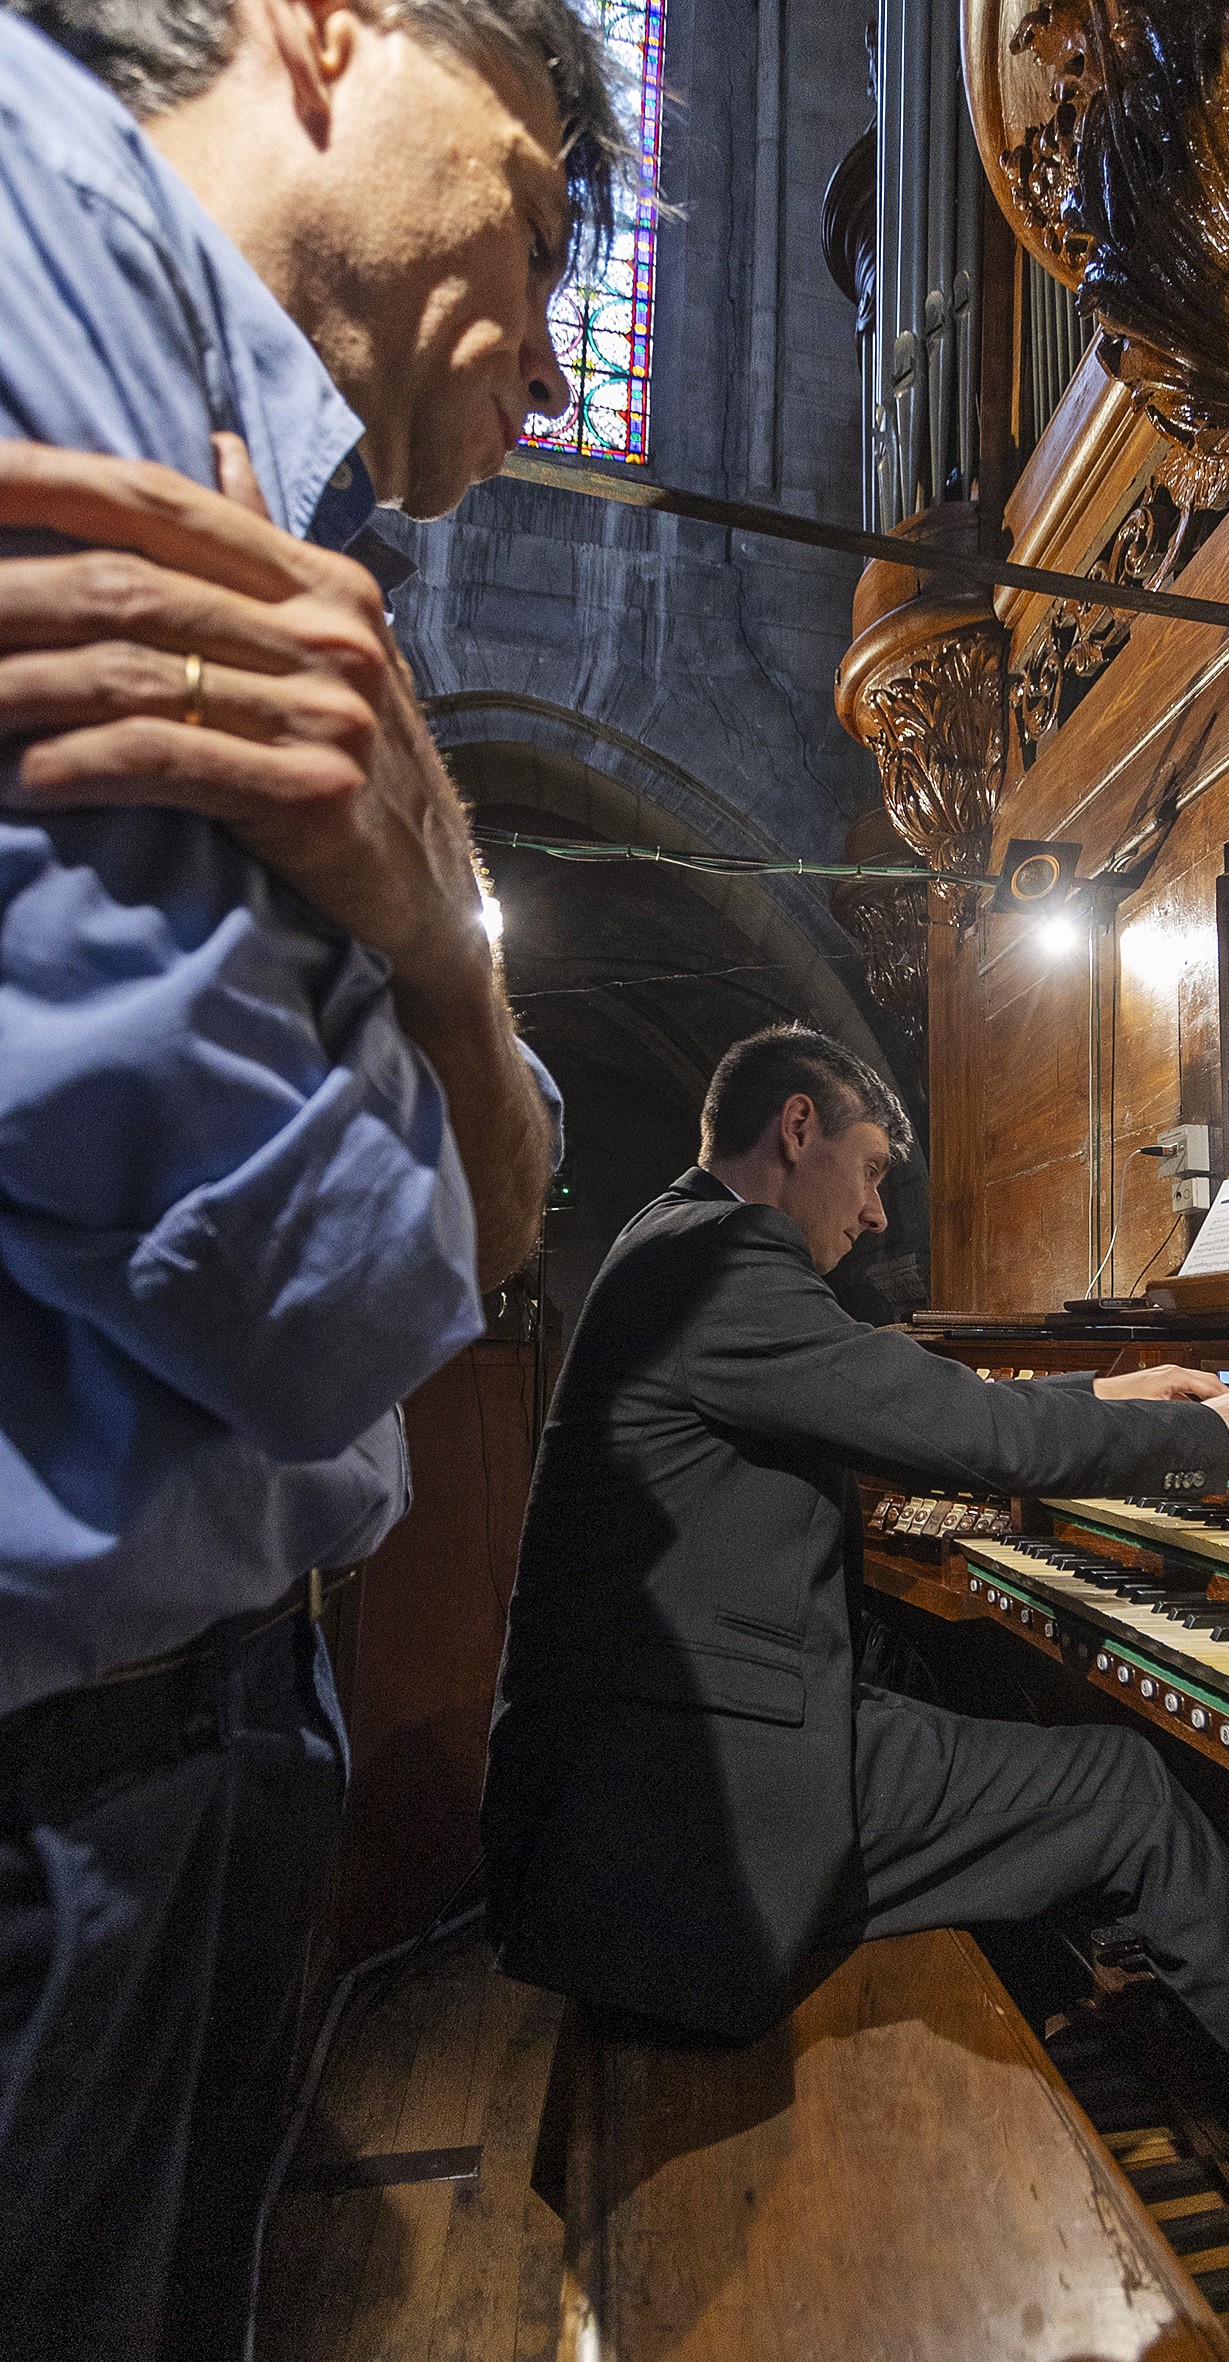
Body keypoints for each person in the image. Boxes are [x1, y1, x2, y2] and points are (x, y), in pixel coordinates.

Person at [0, 4, 621, 2356]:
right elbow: (339, 1298)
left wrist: (445, 957)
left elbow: (512, 1195)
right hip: (59, 1756)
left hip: (217, 1706)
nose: (557, 366)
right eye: (548, 227)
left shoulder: (286, 496)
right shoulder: (43, 215)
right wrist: (456, 1172)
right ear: (324, 25)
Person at [483, 1025, 1229, 2362]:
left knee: (1011, 1736)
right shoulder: (731, 1259)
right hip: (693, 1822)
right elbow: (963, 1425)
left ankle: (1151, 2063)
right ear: (799, 1130)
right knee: (1128, 1792)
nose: (877, 1207)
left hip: (656, 1772)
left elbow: (916, 1395)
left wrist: (1112, 1385)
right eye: (871, 1169)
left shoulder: (665, 1243)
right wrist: (1201, 1432)